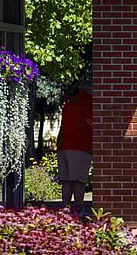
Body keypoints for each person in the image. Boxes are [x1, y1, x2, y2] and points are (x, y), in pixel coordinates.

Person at [57, 80, 93, 214]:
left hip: (63, 144)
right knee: (78, 180)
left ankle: (65, 208)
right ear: (89, 87)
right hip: (79, 145)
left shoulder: (71, 102)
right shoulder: (87, 101)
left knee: (66, 179)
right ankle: (79, 208)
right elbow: (92, 123)